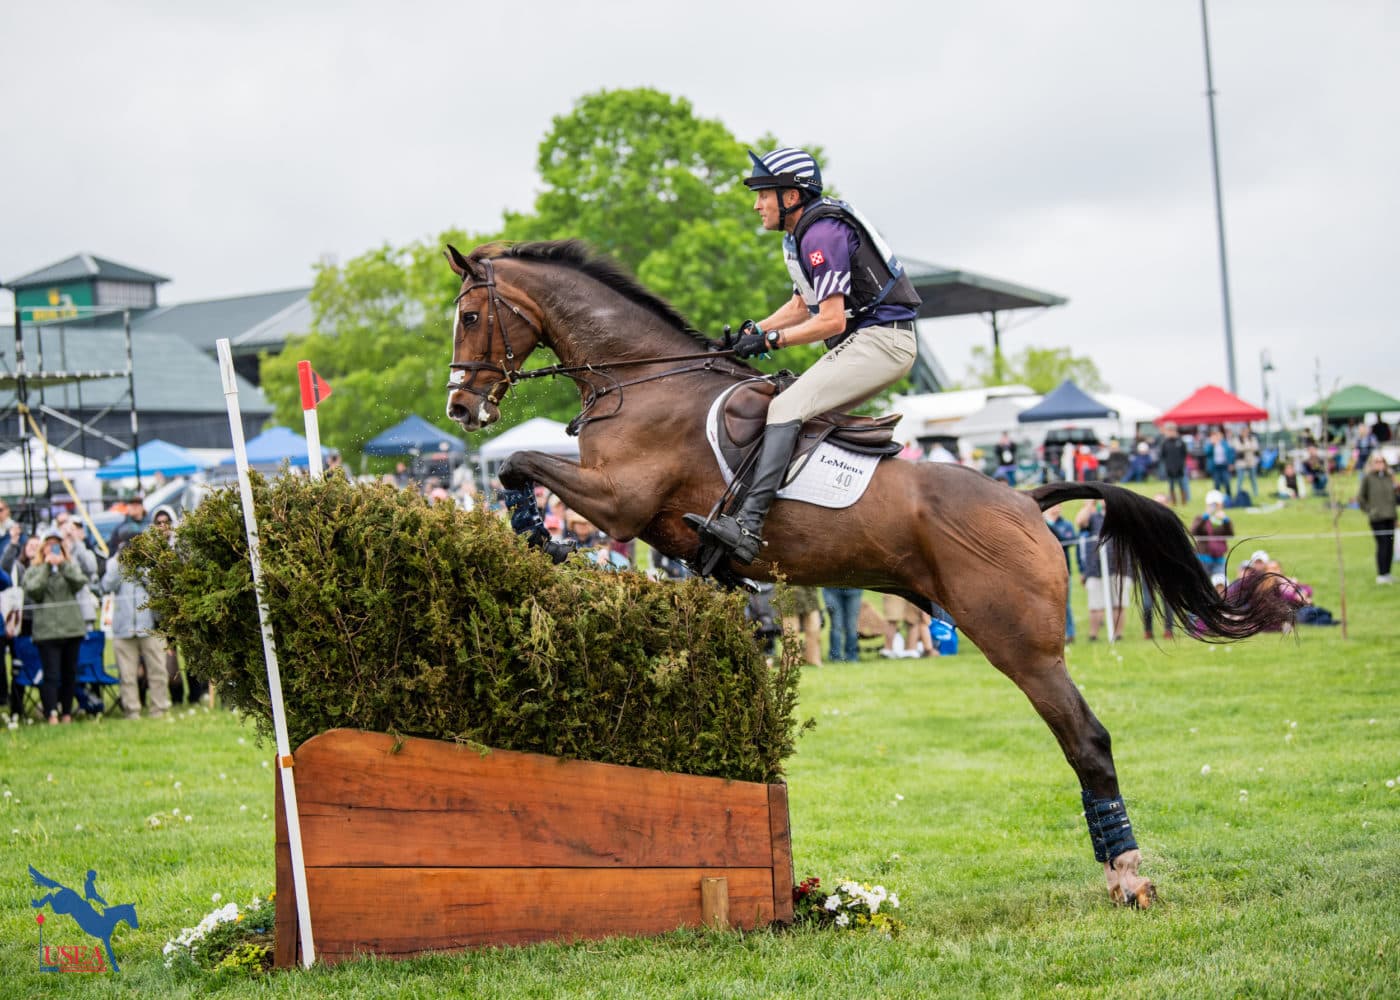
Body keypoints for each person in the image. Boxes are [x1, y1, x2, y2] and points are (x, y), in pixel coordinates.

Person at [688, 147, 920, 564]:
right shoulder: (801, 235)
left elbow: (830, 320)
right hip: (868, 341)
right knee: (787, 404)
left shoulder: (821, 234)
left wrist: (771, 341)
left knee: (785, 407)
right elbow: (800, 306)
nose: (757, 204)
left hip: (883, 343)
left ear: (791, 196)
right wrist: (752, 332)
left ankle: (749, 526)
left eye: (764, 194)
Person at [102, 526, 172, 720]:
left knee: (158, 670)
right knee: (127, 674)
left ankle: (159, 709)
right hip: (123, 627)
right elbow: (107, 585)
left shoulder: (150, 561)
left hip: (149, 626)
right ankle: (131, 711)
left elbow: (158, 588)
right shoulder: (114, 563)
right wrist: (120, 561)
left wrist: (142, 564)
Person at [23, 529, 89, 724]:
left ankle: (67, 713)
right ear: (43, 547)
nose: (53, 547)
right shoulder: (34, 569)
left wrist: (62, 565)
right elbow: (33, 590)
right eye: (49, 544)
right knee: (51, 675)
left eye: (56, 544)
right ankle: (51, 712)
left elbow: (80, 582)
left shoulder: (69, 566)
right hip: (47, 632)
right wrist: (46, 566)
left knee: (70, 674)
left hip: (71, 629)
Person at [1076, 499, 1129, 641]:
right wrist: (1089, 504)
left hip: (1119, 566)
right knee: (1095, 604)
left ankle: (1118, 635)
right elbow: (1080, 522)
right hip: (1095, 568)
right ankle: (1093, 635)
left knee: (1118, 603)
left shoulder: (1121, 517)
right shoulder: (1093, 517)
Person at [1356, 452, 1397, 584]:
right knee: (1383, 545)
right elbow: (1361, 497)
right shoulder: (1368, 478)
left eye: (1382, 461)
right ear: (1372, 463)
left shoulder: (1389, 477)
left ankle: (1387, 573)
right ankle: (1381, 574)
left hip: (1390, 516)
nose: (1380, 464)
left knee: (1390, 546)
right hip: (1377, 518)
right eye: (1377, 461)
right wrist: (1370, 511)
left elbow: (1394, 498)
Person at [1043, 504, 1079, 643]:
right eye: (1052, 506)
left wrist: (1049, 525)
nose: (1055, 508)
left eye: (1057, 506)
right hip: (1045, 570)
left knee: (1065, 603)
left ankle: (1069, 633)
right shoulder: (1040, 524)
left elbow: (1068, 540)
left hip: (1063, 570)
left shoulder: (1066, 525)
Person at [1190, 490, 1234, 579]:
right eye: (1211, 505)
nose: (1214, 507)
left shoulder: (1223, 520)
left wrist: (1226, 520)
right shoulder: (1200, 518)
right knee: (1202, 582)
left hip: (1219, 558)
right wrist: (1205, 517)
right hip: (1202, 557)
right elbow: (1194, 531)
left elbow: (1230, 534)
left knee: (1220, 582)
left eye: (1216, 505)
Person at [782, 586, 824, 667]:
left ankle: (813, 660)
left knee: (814, 628)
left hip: (809, 589)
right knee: (791, 630)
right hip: (788, 588)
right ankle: (792, 661)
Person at [822, 586, 863, 662]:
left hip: (854, 590)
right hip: (831, 589)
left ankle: (852, 656)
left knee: (851, 625)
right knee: (836, 625)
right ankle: (835, 656)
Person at [1159, 422, 1189, 505]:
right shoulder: (1165, 443)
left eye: (1172, 431)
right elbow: (1162, 455)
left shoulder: (1180, 442)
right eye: (1169, 431)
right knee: (1171, 486)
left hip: (1180, 468)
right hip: (1169, 468)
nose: (1170, 433)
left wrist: (1181, 465)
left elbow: (1184, 454)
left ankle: (1184, 501)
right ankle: (1173, 501)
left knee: (1182, 485)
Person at [1232, 428, 1261, 500]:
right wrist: (1248, 447)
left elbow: (1256, 447)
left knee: (1253, 479)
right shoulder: (1237, 439)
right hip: (1241, 463)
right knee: (1240, 479)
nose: (1245, 433)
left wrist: (1246, 447)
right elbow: (1238, 448)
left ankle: (1256, 493)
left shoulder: (1252, 438)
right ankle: (1238, 493)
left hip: (1251, 462)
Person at [1205, 429, 1234, 498]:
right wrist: (1212, 445)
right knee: (1217, 483)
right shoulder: (1211, 444)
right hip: (1215, 467)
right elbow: (1207, 453)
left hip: (1224, 466)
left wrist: (1230, 463)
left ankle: (1229, 497)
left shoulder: (1224, 443)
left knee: (1227, 482)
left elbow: (1230, 453)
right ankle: (1217, 498)